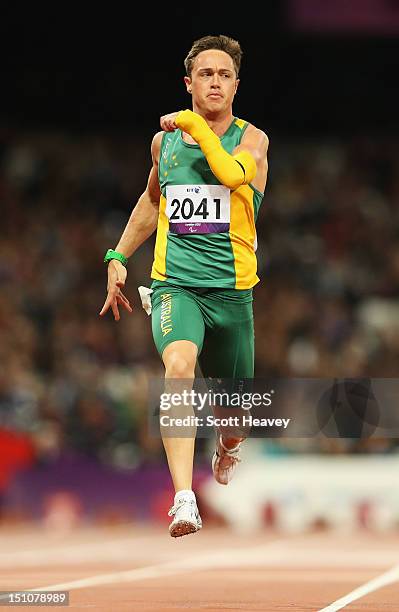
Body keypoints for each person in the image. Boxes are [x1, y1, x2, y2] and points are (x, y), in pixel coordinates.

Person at [100, 34, 269, 537]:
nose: (214, 82)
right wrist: (118, 255)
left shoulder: (252, 141)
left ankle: (228, 445)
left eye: (224, 74)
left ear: (236, 83)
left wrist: (195, 124)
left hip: (232, 295)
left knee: (233, 414)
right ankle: (183, 498)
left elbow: (230, 174)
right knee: (178, 365)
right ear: (189, 82)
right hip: (177, 287)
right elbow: (153, 201)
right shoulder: (163, 144)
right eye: (205, 74)